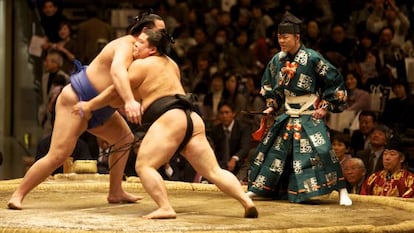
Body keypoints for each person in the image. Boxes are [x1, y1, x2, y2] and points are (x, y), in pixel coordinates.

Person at [73, 28, 258, 219]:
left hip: (171, 118)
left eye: (141, 43)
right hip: (192, 118)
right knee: (213, 170)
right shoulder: (172, 65)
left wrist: (89, 105)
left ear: (152, 50)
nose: (135, 44)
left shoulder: (141, 65)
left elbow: (115, 91)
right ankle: (246, 202)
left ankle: (165, 207)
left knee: (144, 165)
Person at [7, 13, 166, 210]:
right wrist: (129, 101)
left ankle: (115, 191)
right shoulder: (126, 45)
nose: (164, 35)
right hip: (77, 99)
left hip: (102, 108)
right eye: (160, 30)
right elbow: (117, 73)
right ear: (144, 31)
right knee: (58, 154)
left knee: (124, 139)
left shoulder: (147, 56)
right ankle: (18, 194)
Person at [246, 11, 352, 206]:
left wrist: (326, 106)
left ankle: (342, 191)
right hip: (288, 113)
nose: (281, 41)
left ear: (297, 37)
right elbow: (271, 87)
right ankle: (256, 188)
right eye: (279, 37)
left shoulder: (312, 58)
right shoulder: (277, 60)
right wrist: (271, 106)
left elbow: (334, 82)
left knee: (324, 151)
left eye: (285, 37)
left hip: (309, 113)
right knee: (273, 152)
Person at [209, 101, 252, 175]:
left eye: (227, 112)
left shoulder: (243, 128)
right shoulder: (215, 130)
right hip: (220, 167)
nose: (224, 116)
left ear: (233, 113)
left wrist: (234, 159)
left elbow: (245, 147)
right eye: (221, 113)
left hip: (239, 165)